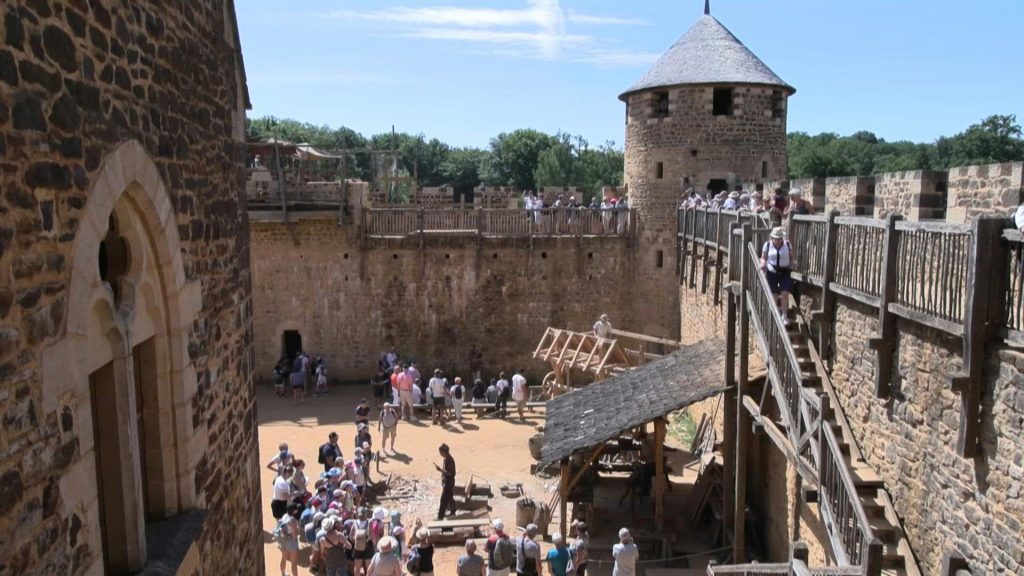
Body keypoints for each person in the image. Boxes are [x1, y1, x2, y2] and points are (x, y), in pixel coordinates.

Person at [761, 226, 796, 322]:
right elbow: (763, 257)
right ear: (772, 238)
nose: (778, 240)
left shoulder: (787, 244)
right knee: (774, 294)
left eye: (780, 238)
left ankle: (784, 315)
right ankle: (773, 316)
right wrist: (763, 263)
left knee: (785, 292)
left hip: (785, 271)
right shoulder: (767, 245)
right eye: (776, 238)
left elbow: (792, 257)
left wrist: (794, 262)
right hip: (772, 271)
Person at [274, 504, 302, 576]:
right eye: (296, 509)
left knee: (284, 558)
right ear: (294, 511)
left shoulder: (285, 516)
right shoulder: (293, 520)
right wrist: (298, 530)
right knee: (294, 563)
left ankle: (283, 574)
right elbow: (294, 535)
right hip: (291, 541)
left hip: (283, 540)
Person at [435, 443, 456, 520]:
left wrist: (440, 470)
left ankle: (440, 517)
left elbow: (451, 473)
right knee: (450, 498)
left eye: (441, 452)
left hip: (448, 483)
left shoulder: (450, 460)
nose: (440, 454)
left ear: (444, 452)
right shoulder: (446, 459)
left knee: (443, 500)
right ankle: (453, 511)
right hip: (447, 482)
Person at [351, 507, 374, 576]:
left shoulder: (355, 522)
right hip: (368, 546)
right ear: (365, 514)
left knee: (357, 567)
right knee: (369, 567)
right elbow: (372, 535)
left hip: (357, 546)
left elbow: (350, 536)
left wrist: (356, 541)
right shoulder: (369, 522)